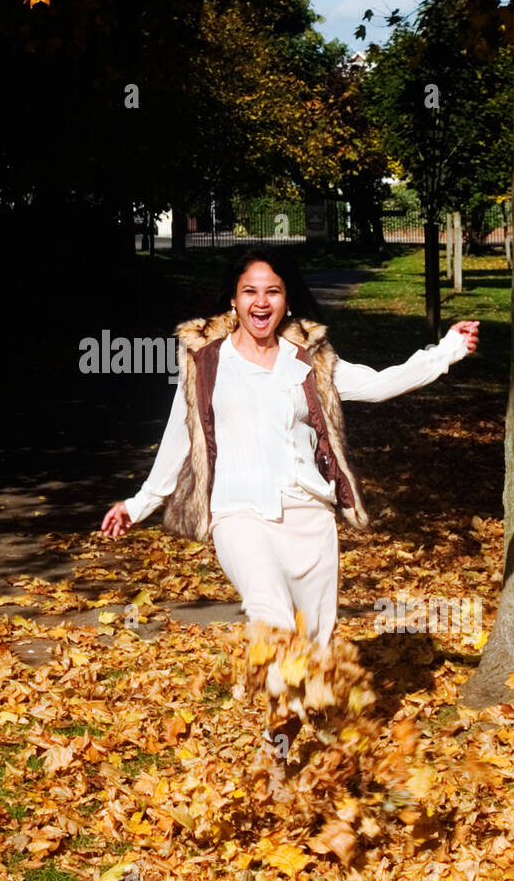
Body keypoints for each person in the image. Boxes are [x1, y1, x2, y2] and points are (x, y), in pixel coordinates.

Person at [101, 247, 479, 723]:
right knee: (275, 624)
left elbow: (382, 384)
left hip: (309, 517)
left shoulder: (309, 364)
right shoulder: (207, 364)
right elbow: (179, 439)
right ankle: (286, 742)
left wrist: (446, 350)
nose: (261, 302)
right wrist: (138, 505)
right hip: (239, 515)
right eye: (250, 292)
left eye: (272, 292)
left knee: (313, 649)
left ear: (287, 300)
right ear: (234, 302)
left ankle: (277, 751)